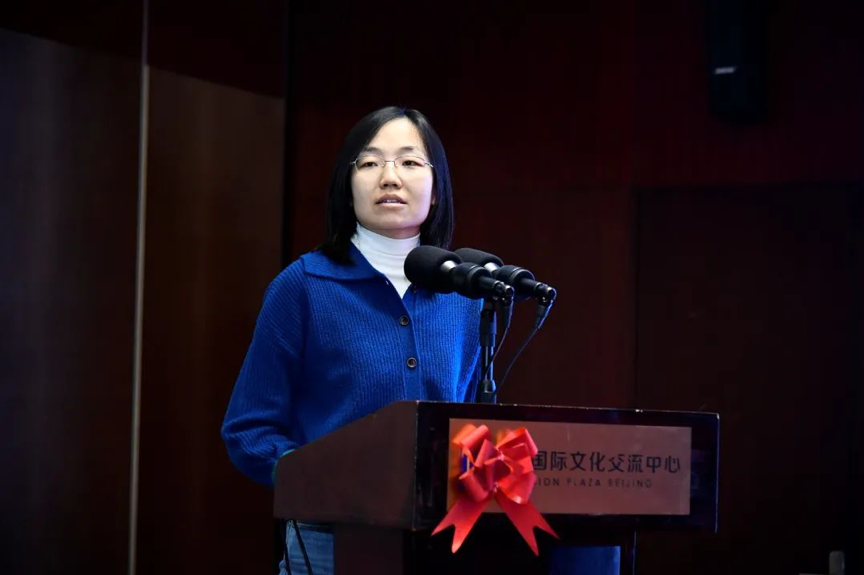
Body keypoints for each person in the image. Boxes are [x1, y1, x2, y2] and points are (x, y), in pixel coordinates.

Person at [221, 106, 482, 574]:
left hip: (441, 543)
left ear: (437, 189)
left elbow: (471, 425)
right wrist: (318, 477)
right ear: (348, 185)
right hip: (328, 543)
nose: (389, 177)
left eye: (409, 161)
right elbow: (248, 430)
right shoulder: (303, 286)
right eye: (369, 162)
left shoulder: (464, 296)